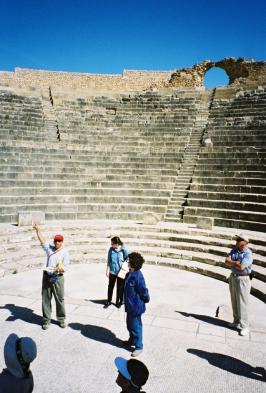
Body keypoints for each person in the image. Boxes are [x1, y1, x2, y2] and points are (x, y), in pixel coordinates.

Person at [33, 223, 69, 330]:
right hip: (47, 276)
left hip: (58, 277)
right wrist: (37, 230)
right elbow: (42, 240)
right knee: (46, 299)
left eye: (59, 241)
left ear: (62, 242)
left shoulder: (65, 252)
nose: (57, 242)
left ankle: (61, 319)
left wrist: (60, 269)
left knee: (60, 299)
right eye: (56, 240)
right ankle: (46, 320)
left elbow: (66, 267)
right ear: (54, 241)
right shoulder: (49, 249)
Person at [225, 233, 253, 336]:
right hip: (233, 277)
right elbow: (226, 261)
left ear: (244, 243)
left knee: (242, 303)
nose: (236, 241)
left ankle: (245, 326)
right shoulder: (234, 250)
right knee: (234, 300)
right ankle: (236, 321)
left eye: (238, 240)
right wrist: (235, 263)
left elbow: (242, 267)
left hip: (243, 279)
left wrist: (234, 263)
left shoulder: (248, 254)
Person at [123, 252, 150, 357]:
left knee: (136, 326)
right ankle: (131, 340)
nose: (127, 262)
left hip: (135, 306)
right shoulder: (130, 273)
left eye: (129, 261)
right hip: (129, 305)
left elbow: (143, 290)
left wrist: (146, 299)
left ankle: (139, 346)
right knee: (129, 325)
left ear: (133, 263)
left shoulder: (138, 276)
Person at [104, 236, 129, 308]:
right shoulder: (111, 250)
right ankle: (108, 301)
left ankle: (118, 302)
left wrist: (125, 268)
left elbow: (127, 259)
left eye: (112, 244)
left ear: (117, 244)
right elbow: (109, 260)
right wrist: (107, 270)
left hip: (121, 272)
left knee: (120, 287)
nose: (111, 245)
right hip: (112, 271)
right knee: (110, 287)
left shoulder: (123, 249)